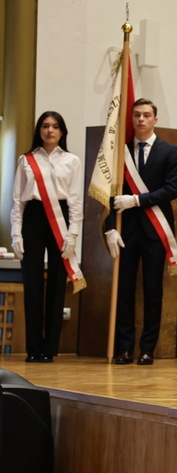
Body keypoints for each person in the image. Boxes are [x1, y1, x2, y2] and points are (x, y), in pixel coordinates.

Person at [105, 98, 177, 365]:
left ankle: (148, 348)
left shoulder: (169, 151)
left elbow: (171, 190)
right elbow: (110, 193)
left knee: (152, 290)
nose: (140, 119)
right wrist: (109, 228)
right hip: (126, 230)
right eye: (136, 115)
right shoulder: (120, 151)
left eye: (146, 115)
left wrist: (136, 200)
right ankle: (125, 347)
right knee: (124, 290)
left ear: (155, 120)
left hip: (155, 230)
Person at [10, 111, 84, 363]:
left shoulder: (72, 160)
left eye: (55, 126)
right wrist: (15, 232)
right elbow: (17, 200)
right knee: (32, 283)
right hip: (33, 217)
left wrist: (73, 233)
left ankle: (49, 348)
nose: (50, 130)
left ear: (62, 131)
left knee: (56, 283)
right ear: (39, 130)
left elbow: (75, 200)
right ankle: (33, 348)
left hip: (60, 218)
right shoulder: (26, 160)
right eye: (45, 126)